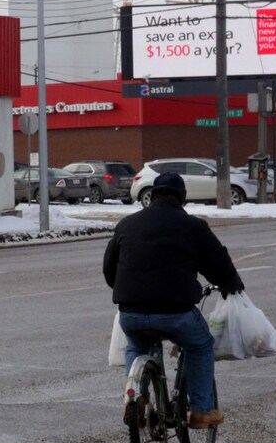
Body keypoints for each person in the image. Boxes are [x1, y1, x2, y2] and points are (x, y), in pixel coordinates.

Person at [103, 171, 244, 427]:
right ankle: (202, 411)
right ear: (183, 198)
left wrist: (128, 292)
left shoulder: (127, 224)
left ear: (153, 194)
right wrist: (231, 285)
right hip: (176, 313)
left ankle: (136, 399)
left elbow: (109, 269)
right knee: (200, 345)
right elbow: (218, 263)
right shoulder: (192, 226)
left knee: (136, 346)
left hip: (131, 313)